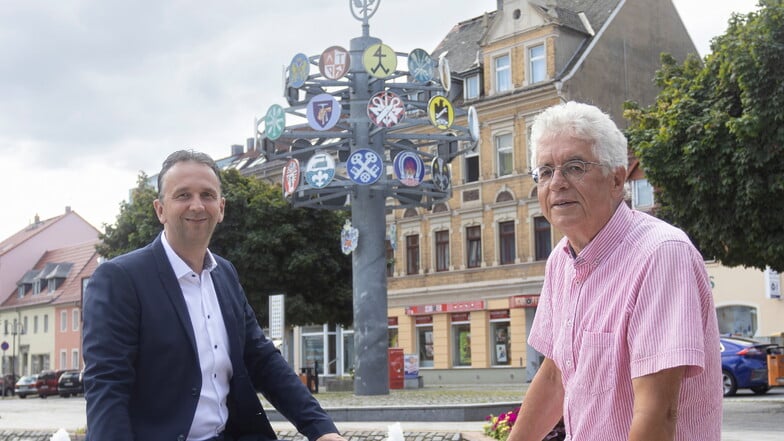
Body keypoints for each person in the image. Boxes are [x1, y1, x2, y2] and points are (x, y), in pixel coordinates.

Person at [82, 150, 347, 441]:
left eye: (207, 195)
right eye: (183, 195)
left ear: (221, 208)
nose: (197, 206)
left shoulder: (225, 274)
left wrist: (322, 430)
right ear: (160, 209)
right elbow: (107, 385)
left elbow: (262, 359)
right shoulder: (121, 279)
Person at [508, 102, 722, 441]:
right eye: (545, 172)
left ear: (617, 179)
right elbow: (553, 377)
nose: (557, 183)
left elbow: (657, 415)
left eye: (574, 167)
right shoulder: (560, 261)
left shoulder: (660, 255)